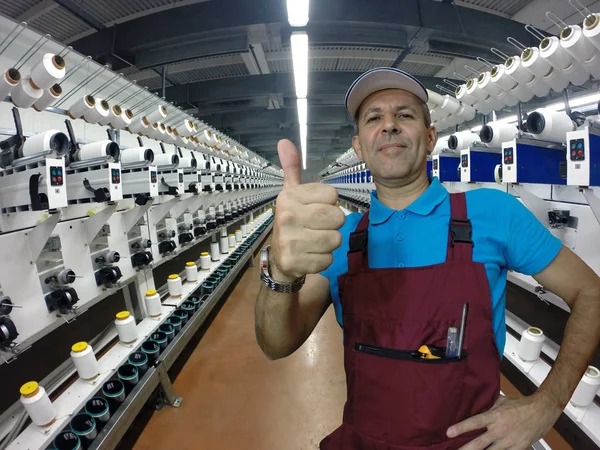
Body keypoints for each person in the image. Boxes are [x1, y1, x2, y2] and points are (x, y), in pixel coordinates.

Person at [254, 67, 600, 450]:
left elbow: (591, 292)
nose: (389, 126)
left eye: (404, 115)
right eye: (374, 118)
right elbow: (276, 343)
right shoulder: (340, 238)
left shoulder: (493, 213)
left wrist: (547, 403)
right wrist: (280, 273)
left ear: (431, 137)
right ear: (358, 146)